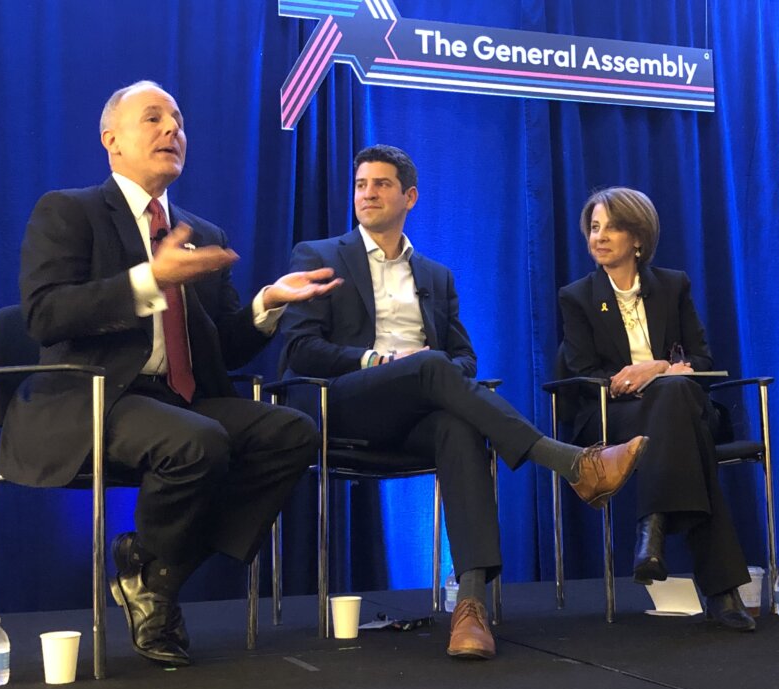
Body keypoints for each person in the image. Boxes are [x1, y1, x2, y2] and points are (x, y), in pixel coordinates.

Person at [0, 80, 343, 666]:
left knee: (293, 432)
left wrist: (268, 303)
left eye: (179, 121)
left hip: (181, 400)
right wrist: (147, 280)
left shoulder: (203, 235)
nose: (172, 130)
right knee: (199, 440)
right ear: (112, 140)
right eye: (153, 118)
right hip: (97, 397)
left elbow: (224, 352)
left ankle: (153, 571)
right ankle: (156, 584)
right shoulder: (70, 211)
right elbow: (44, 313)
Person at [281, 145, 650, 660]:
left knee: (458, 424)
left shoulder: (435, 276)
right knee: (430, 366)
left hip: (419, 412)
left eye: (382, 184)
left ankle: (470, 606)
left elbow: (465, 359)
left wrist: (431, 371)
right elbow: (300, 351)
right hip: (347, 404)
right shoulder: (318, 256)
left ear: (409, 196)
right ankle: (570, 462)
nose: (368, 193)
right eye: (362, 184)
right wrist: (379, 359)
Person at [557, 187, 755, 632]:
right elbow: (583, 371)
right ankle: (721, 592)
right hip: (614, 415)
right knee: (685, 426)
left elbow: (702, 359)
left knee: (674, 394)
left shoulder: (673, 285)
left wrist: (660, 367)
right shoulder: (578, 296)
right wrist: (637, 380)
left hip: (678, 405)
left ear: (639, 239)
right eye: (594, 227)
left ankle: (654, 525)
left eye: (612, 226)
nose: (599, 236)